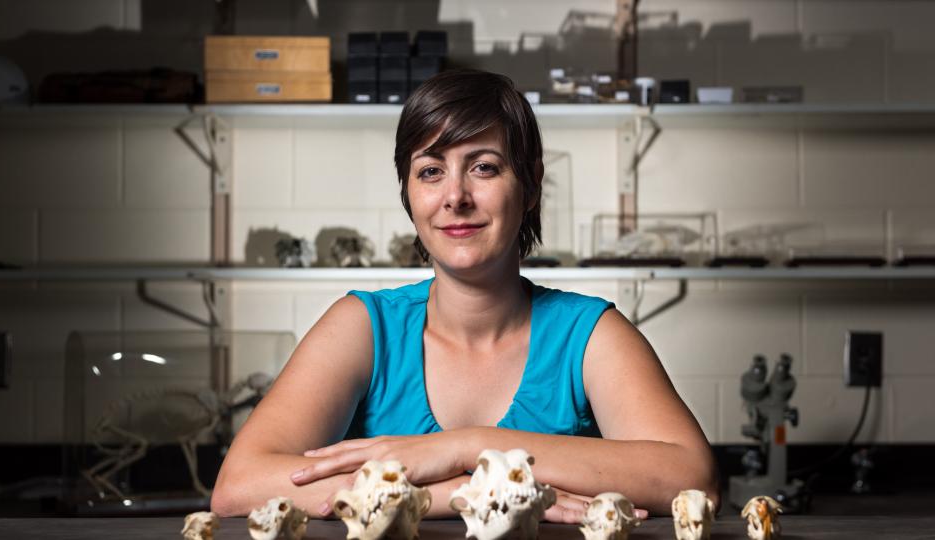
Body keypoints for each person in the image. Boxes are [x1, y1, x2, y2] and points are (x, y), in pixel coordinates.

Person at [211, 69, 717, 521]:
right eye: (431, 171)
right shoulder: (364, 327)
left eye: (484, 167)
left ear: (532, 185)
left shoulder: (589, 336)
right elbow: (240, 486)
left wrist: (468, 448)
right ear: (409, 194)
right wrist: (459, 490)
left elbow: (693, 477)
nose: (455, 196)